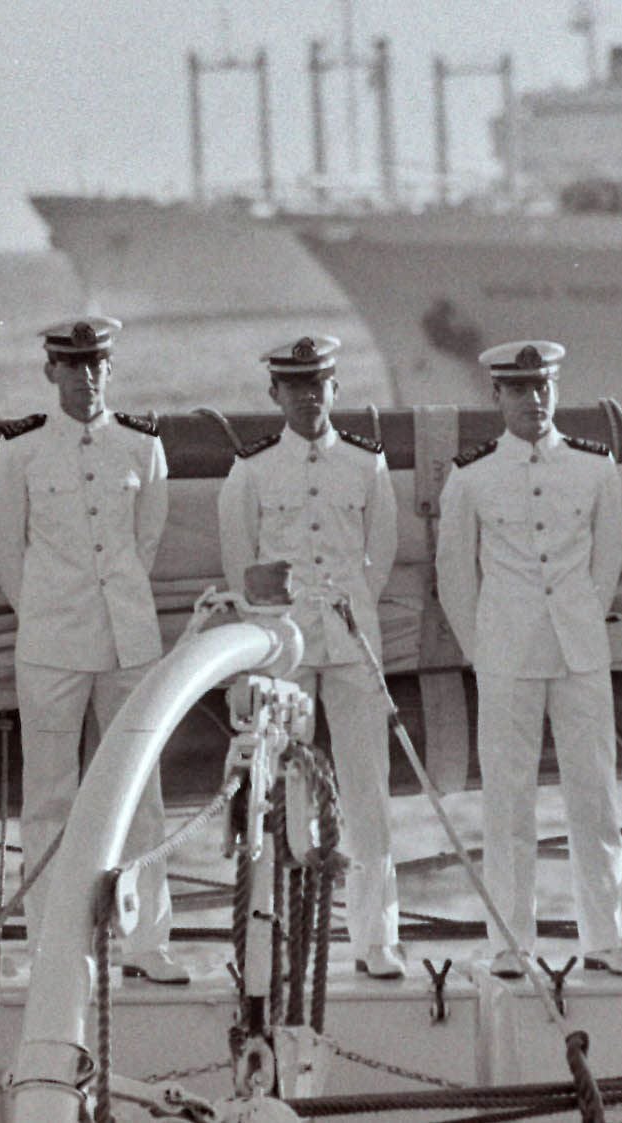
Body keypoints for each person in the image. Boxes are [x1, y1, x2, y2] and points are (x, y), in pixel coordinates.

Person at [0, 316, 187, 983]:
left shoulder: (141, 447)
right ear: (51, 372)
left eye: (98, 364)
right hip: (51, 643)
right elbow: (6, 550)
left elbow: (144, 541)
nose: (88, 376)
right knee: (49, 798)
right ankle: (54, 948)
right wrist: (46, 610)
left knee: (141, 790)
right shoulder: (19, 454)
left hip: (128, 639)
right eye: (74, 366)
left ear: (109, 368)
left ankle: (147, 942)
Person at [436, 340, 622, 979]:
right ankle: (510, 942)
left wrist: (581, 619)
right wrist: (483, 651)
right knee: (507, 803)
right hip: (506, 652)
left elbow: (604, 563)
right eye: (520, 389)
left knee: (596, 797)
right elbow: (455, 575)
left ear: (556, 389)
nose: (534, 400)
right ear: (497, 396)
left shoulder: (595, 468)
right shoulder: (471, 476)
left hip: (579, 650)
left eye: (544, 386)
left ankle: (607, 939)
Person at [216, 335, 404, 979]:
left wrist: (343, 608)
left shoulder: (366, 466)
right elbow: (243, 571)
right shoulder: (253, 470)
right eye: (294, 385)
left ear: (335, 388)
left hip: (351, 643)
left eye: (318, 383)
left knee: (366, 790)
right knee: (281, 795)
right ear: (275, 394)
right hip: (286, 652)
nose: (308, 395)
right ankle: (281, 945)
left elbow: (378, 555)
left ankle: (376, 939)